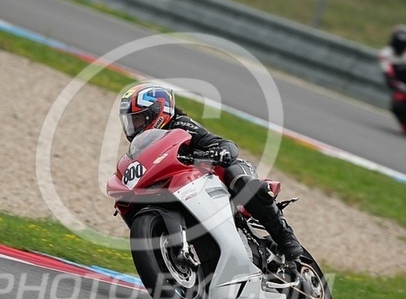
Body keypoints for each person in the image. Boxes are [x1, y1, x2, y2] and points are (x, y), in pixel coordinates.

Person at [118, 83, 303, 264]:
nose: (134, 126)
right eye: (130, 121)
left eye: (138, 119)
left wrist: (216, 153)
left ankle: (286, 237)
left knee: (241, 181)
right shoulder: (144, 146)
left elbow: (227, 145)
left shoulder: (180, 125)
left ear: (157, 112)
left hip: (220, 170)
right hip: (185, 186)